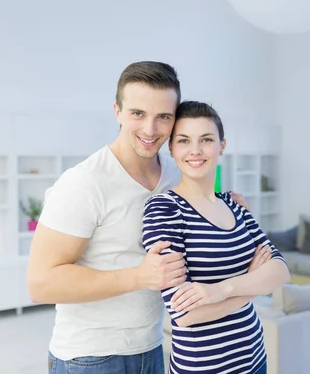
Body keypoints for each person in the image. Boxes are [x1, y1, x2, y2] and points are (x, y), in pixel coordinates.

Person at [27, 61, 253, 374]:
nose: (150, 129)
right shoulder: (83, 183)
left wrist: (226, 202)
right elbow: (40, 284)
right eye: (138, 114)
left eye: (163, 117)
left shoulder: (175, 174)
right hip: (89, 358)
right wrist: (139, 277)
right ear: (117, 111)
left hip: (153, 347)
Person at [142, 101, 290, 374]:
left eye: (206, 139)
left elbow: (280, 270)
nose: (195, 150)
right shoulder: (165, 209)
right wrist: (251, 287)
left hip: (255, 358)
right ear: (172, 148)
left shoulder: (234, 204)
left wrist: (219, 290)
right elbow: (185, 314)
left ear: (222, 145)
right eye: (184, 141)